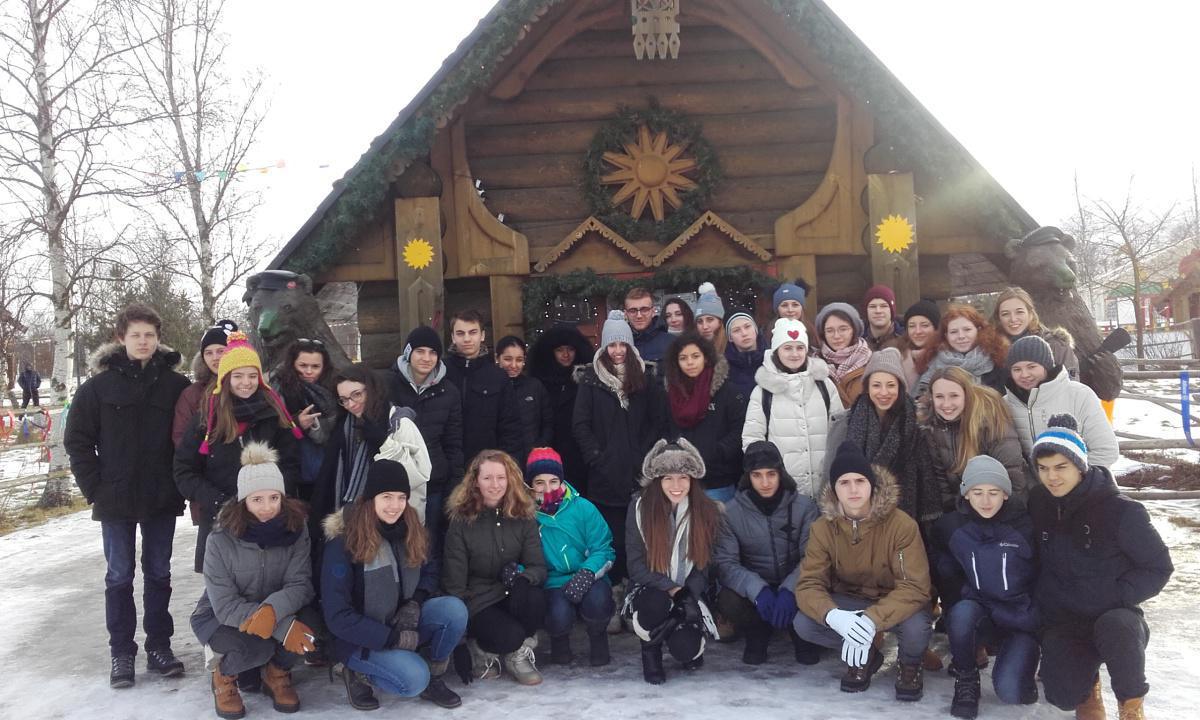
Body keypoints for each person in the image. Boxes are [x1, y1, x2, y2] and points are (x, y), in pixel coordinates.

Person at [65, 304, 192, 688]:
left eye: (149, 335)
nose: (143, 341)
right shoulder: (98, 388)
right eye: (135, 335)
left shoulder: (175, 386)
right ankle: (121, 652)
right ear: (121, 337)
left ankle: (159, 646)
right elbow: (78, 441)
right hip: (115, 499)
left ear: (158, 339)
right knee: (119, 576)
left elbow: (188, 438)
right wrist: (95, 489)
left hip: (160, 497)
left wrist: (178, 482)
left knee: (159, 573)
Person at [1028, 415, 1173, 720]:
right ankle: (1087, 682)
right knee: (1062, 696)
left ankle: (1130, 704)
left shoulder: (1122, 510)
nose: (1051, 477)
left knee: (1118, 628)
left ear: (1080, 465)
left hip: (1113, 614)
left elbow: (1159, 566)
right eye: (1043, 469)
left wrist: (1116, 594)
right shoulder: (1038, 503)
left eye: (1060, 467)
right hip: (1064, 618)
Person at [321, 459, 468, 710]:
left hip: (402, 620)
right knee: (413, 679)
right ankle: (357, 673)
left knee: (453, 610)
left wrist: (416, 602)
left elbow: (430, 569)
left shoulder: (411, 529)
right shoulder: (344, 544)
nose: (395, 506)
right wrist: (391, 638)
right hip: (360, 639)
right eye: (386, 497)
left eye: (401, 497)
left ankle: (435, 675)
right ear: (371, 499)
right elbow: (338, 616)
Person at [794, 442, 933, 700]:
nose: (854, 489)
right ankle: (865, 656)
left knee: (917, 628)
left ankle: (910, 664)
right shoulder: (822, 528)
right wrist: (835, 617)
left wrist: (871, 620)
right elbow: (809, 584)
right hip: (851, 600)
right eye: (844, 483)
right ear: (834, 489)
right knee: (804, 623)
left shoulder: (901, 525)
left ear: (872, 484)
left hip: (896, 600)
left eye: (860, 480)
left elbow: (914, 586)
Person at [192, 442, 317, 718]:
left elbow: (300, 584)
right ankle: (223, 676)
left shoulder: (296, 529)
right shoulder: (220, 539)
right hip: (219, 616)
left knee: (313, 624)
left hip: (274, 608)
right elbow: (224, 605)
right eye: (257, 499)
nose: (266, 508)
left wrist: (273, 612)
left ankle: (276, 674)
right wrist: (281, 626)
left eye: (273, 498)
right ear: (243, 501)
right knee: (256, 649)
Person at [175, 331, 302, 573]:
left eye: (252, 375)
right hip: (222, 520)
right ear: (226, 378)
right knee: (225, 592)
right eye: (238, 376)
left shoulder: (274, 414)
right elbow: (184, 470)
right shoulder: (207, 419)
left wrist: (270, 499)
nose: (246, 382)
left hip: (269, 518)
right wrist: (219, 502)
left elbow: (291, 463)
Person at [931, 456, 1039, 719]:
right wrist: (961, 592)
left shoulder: (1027, 527)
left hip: (1020, 620)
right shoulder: (952, 527)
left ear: (1005, 493)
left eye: (993, 492)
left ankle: (1023, 665)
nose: (986, 500)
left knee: (1012, 693)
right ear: (966, 495)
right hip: (982, 611)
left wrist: (1037, 619)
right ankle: (966, 679)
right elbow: (943, 565)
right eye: (977, 492)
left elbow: (1045, 576)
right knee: (961, 613)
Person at [573, 310, 664, 586]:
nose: (617, 351)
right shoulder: (591, 379)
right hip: (604, 476)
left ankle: (637, 588)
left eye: (622, 344)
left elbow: (657, 421)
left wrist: (644, 456)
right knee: (609, 538)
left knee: (638, 538)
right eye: (612, 345)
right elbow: (581, 424)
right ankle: (612, 590)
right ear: (603, 347)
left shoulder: (645, 378)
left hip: (639, 475)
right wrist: (596, 458)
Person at [443, 450, 548, 685]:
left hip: (510, 590)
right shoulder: (462, 520)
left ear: (509, 479)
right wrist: (458, 640)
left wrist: (524, 579)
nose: (495, 485)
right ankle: (481, 649)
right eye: (487, 478)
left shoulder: (523, 515)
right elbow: (454, 583)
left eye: (501, 477)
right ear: (475, 481)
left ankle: (518, 654)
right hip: (478, 600)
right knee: (509, 635)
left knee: (536, 599)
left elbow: (537, 566)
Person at [624, 439, 722, 685]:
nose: (676, 485)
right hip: (651, 587)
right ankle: (650, 649)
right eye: (668, 478)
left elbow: (704, 566)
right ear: (658, 480)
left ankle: (685, 637)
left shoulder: (706, 510)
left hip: (688, 589)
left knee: (686, 649)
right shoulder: (639, 508)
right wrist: (672, 589)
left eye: (683, 478)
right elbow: (635, 565)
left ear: (692, 480)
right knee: (655, 603)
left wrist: (688, 595)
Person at [714, 441, 822, 665]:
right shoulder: (731, 513)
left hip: (794, 584)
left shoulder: (804, 507)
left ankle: (800, 632)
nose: (765, 482)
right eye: (757, 475)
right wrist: (758, 590)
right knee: (728, 598)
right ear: (748, 477)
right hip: (757, 587)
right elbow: (726, 563)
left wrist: (790, 590)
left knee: (819, 585)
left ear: (781, 473)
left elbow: (814, 557)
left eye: (771, 474)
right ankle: (757, 632)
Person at [826, 348, 941, 525]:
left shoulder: (915, 422)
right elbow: (832, 471)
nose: (884, 392)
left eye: (891, 385)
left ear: (900, 387)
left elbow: (925, 475)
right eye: (877, 385)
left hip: (904, 512)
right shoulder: (847, 422)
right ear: (867, 387)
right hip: (859, 511)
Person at [525, 447, 616, 666]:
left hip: (588, 574)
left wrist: (587, 572)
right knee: (557, 613)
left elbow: (604, 548)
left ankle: (598, 637)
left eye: (554, 481)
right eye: (540, 482)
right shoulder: (526, 516)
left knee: (598, 601)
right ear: (530, 485)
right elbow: (522, 557)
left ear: (562, 481)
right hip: (553, 581)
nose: (548, 488)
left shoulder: (583, 508)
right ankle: (559, 641)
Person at [741, 318, 844, 498]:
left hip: (826, 488)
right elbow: (752, 438)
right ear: (777, 351)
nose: (794, 354)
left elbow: (840, 432)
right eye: (787, 348)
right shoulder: (764, 391)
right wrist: (770, 476)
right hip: (785, 491)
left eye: (799, 347)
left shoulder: (825, 386)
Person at [389, 326, 465, 548]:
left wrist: (454, 480)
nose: (426, 358)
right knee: (398, 539)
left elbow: (453, 441)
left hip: (433, 480)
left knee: (428, 540)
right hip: (396, 477)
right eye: (420, 351)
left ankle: (427, 583)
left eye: (432, 353)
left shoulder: (448, 391)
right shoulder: (388, 383)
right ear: (408, 353)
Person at [920, 366, 1030, 511]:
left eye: (954, 396)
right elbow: (943, 484)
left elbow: (1013, 475)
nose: (946, 404)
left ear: (966, 395)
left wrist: (1007, 514)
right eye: (939, 396)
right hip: (964, 507)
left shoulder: (990, 419)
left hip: (1000, 507)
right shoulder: (932, 426)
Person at [1003, 335, 1119, 468]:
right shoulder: (1005, 405)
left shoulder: (1079, 395)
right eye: (1017, 369)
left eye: (1031, 367)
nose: (1024, 374)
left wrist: (1063, 476)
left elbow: (1107, 451)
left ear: (1046, 366)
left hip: (1082, 485)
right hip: (1031, 487)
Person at [663, 331, 747, 502]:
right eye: (683, 358)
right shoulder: (670, 394)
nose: (690, 362)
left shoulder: (727, 392)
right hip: (680, 481)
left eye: (695, 356)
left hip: (719, 481)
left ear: (706, 358)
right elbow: (664, 429)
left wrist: (717, 452)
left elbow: (739, 430)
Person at [443, 309, 522, 461]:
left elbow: (511, 428)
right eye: (460, 333)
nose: (467, 339)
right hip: (447, 465)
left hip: (486, 466)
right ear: (453, 337)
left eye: (472, 332)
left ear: (482, 335)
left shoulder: (497, 377)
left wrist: (507, 465)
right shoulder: (441, 372)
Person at [528, 323, 594, 495]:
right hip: (548, 453)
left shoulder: (587, 379)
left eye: (570, 349)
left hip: (582, 455)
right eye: (559, 350)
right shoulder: (539, 381)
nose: (565, 355)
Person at [271, 338, 338, 501]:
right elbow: (271, 427)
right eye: (303, 366)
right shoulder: (280, 386)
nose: (309, 371)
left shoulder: (334, 385)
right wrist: (296, 423)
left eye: (315, 366)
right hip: (295, 466)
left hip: (330, 464)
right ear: (292, 364)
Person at [917, 305, 1008, 395]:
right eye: (954, 332)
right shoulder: (932, 361)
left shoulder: (996, 358)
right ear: (946, 335)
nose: (961, 336)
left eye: (967, 329)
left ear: (978, 331)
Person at [991, 286, 1079, 379]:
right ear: (999, 318)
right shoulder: (993, 350)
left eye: (1019, 312)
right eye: (1005, 314)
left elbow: (1071, 386)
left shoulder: (1055, 345)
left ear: (1030, 314)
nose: (1013, 319)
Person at [173, 320, 237, 446]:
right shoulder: (192, 394)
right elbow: (182, 438)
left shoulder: (248, 386)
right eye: (209, 353)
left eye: (220, 351)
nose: (215, 357)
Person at [495, 335, 553, 467]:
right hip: (501, 463)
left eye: (519, 360)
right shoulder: (491, 388)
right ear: (497, 358)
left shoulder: (534, 386)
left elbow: (548, 422)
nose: (514, 365)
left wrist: (540, 447)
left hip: (532, 460)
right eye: (508, 359)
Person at [815, 302, 872, 407]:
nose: (836, 336)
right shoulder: (813, 365)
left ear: (853, 330)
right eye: (830, 331)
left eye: (843, 329)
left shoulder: (871, 362)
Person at [896, 300, 939, 394]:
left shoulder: (946, 357)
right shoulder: (898, 354)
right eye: (912, 326)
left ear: (936, 328)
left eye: (924, 325)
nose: (918, 331)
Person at [724, 308, 768, 397]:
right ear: (730, 338)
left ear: (755, 329)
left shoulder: (773, 359)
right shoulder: (723, 369)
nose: (744, 333)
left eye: (747, 326)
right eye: (736, 330)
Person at [625, 286, 672, 361]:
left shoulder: (671, 342)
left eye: (644, 310)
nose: (639, 316)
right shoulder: (619, 346)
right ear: (626, 314)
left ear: (653, 311)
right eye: (633, 311)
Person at [863, 284, 903, 351]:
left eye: (884, 306)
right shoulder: (857, 341)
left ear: (891, 310)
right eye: (872, 306)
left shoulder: (906, 339)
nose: (878, 311)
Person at [693, 282, 727, 355]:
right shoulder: (693, 350)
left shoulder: (733, 347)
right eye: (700, 321)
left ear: (720, 321)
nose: (704, 326)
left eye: (710, 320)